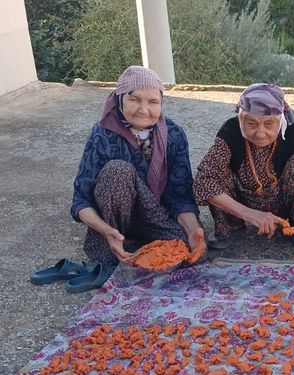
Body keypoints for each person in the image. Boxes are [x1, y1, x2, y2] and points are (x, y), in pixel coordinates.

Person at [67, 65, 203, 291]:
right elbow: (80, 201)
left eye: (153, 102)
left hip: (155, 216)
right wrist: (106, 230)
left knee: (188, 250)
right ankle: (116, 243)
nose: (143, 109)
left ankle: (139, 245)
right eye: (135, 100)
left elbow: (181, 197)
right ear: (119, 99)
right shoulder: (102, 134)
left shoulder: (174, 135)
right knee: (117, 171)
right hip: (113, 223)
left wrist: (192, 229)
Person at [193, 83, 294, 248]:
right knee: (214, 171)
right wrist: (249, 214)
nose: (261, 133)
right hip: (240, 201)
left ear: (280, 120)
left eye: (269, 124)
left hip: (283, 201)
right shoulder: (231, 132)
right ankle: (230, 226)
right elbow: (202, 182)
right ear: (241, 120)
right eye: (252, 124)